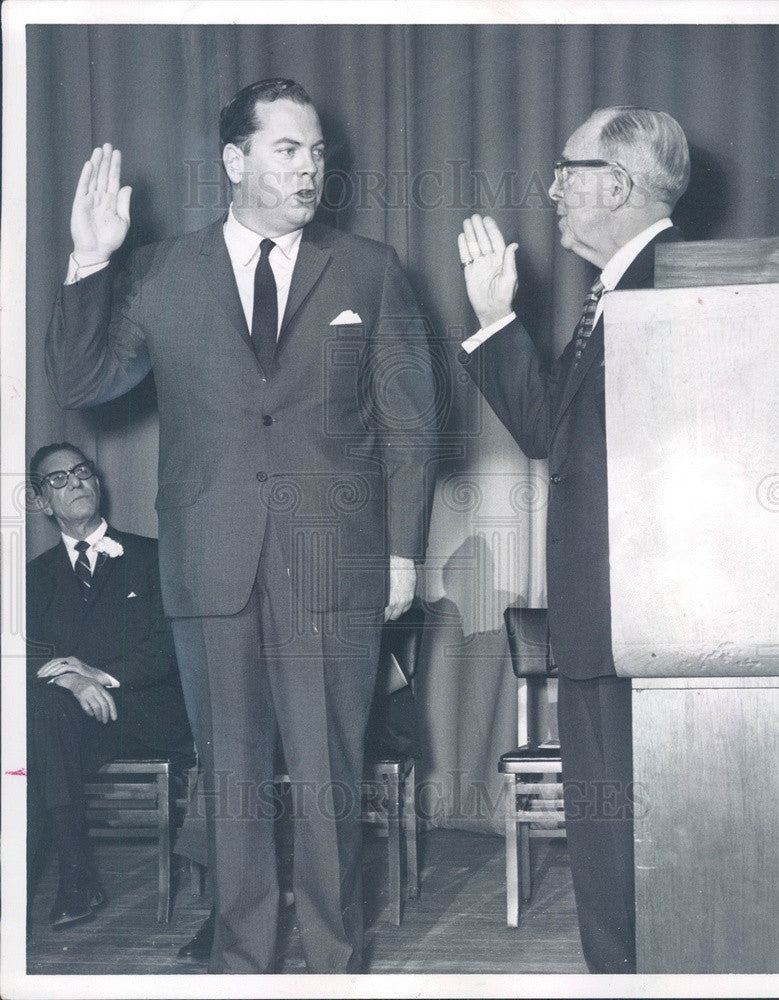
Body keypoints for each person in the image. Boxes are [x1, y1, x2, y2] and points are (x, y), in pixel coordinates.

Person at [45, 78, 436, 973]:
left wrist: (404, 553)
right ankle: (242, 963)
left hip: (333, 567)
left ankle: (338, 962)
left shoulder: (368, 269)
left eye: (318, 152)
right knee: (232, 780)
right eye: (288, 150)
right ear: (235, 160)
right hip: (209, 562)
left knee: (331, 775)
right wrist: (88, 264)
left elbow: (411, 428)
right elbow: (82, 382)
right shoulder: (156, 271)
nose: (309, 169)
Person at [456, 107, 690, 974]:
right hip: (610, 620)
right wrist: (492, 319)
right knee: (608, 835)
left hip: (649, 622)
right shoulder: (617, 291)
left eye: (566, 168)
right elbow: (554, 433)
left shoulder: (676, 286)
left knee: (633, 842)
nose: (551, 188)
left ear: (617, 183)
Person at [26, 443, 194, 929]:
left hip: (147, 716)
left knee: (39, 738)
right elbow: (24, 650)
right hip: (74, 725)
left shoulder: (153, 555)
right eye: (58, 479)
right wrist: (74, 680)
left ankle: (69, 878)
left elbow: (170, 642)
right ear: (41, 502)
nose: (75, 482)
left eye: (81, 472)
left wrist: (101, 676)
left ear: (97, 482)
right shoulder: (34, 577)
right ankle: (77, 875)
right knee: (44, 710)